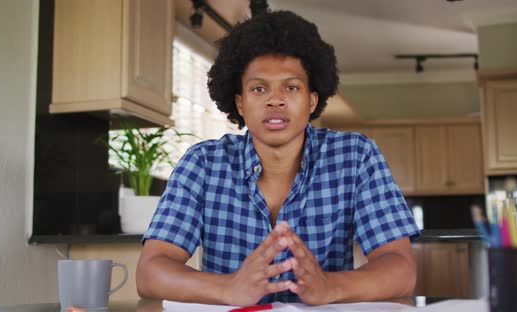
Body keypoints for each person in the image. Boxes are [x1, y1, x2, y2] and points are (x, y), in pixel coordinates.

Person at [136, 10, 420, 306]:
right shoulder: (202, 164)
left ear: (312, 100)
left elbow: (401, 268)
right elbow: (150, 272)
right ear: (240, 102)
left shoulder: (357, 157)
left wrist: (331, 287)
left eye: (291, 87)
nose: (275, 100)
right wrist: (228, 288)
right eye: (259, 88)